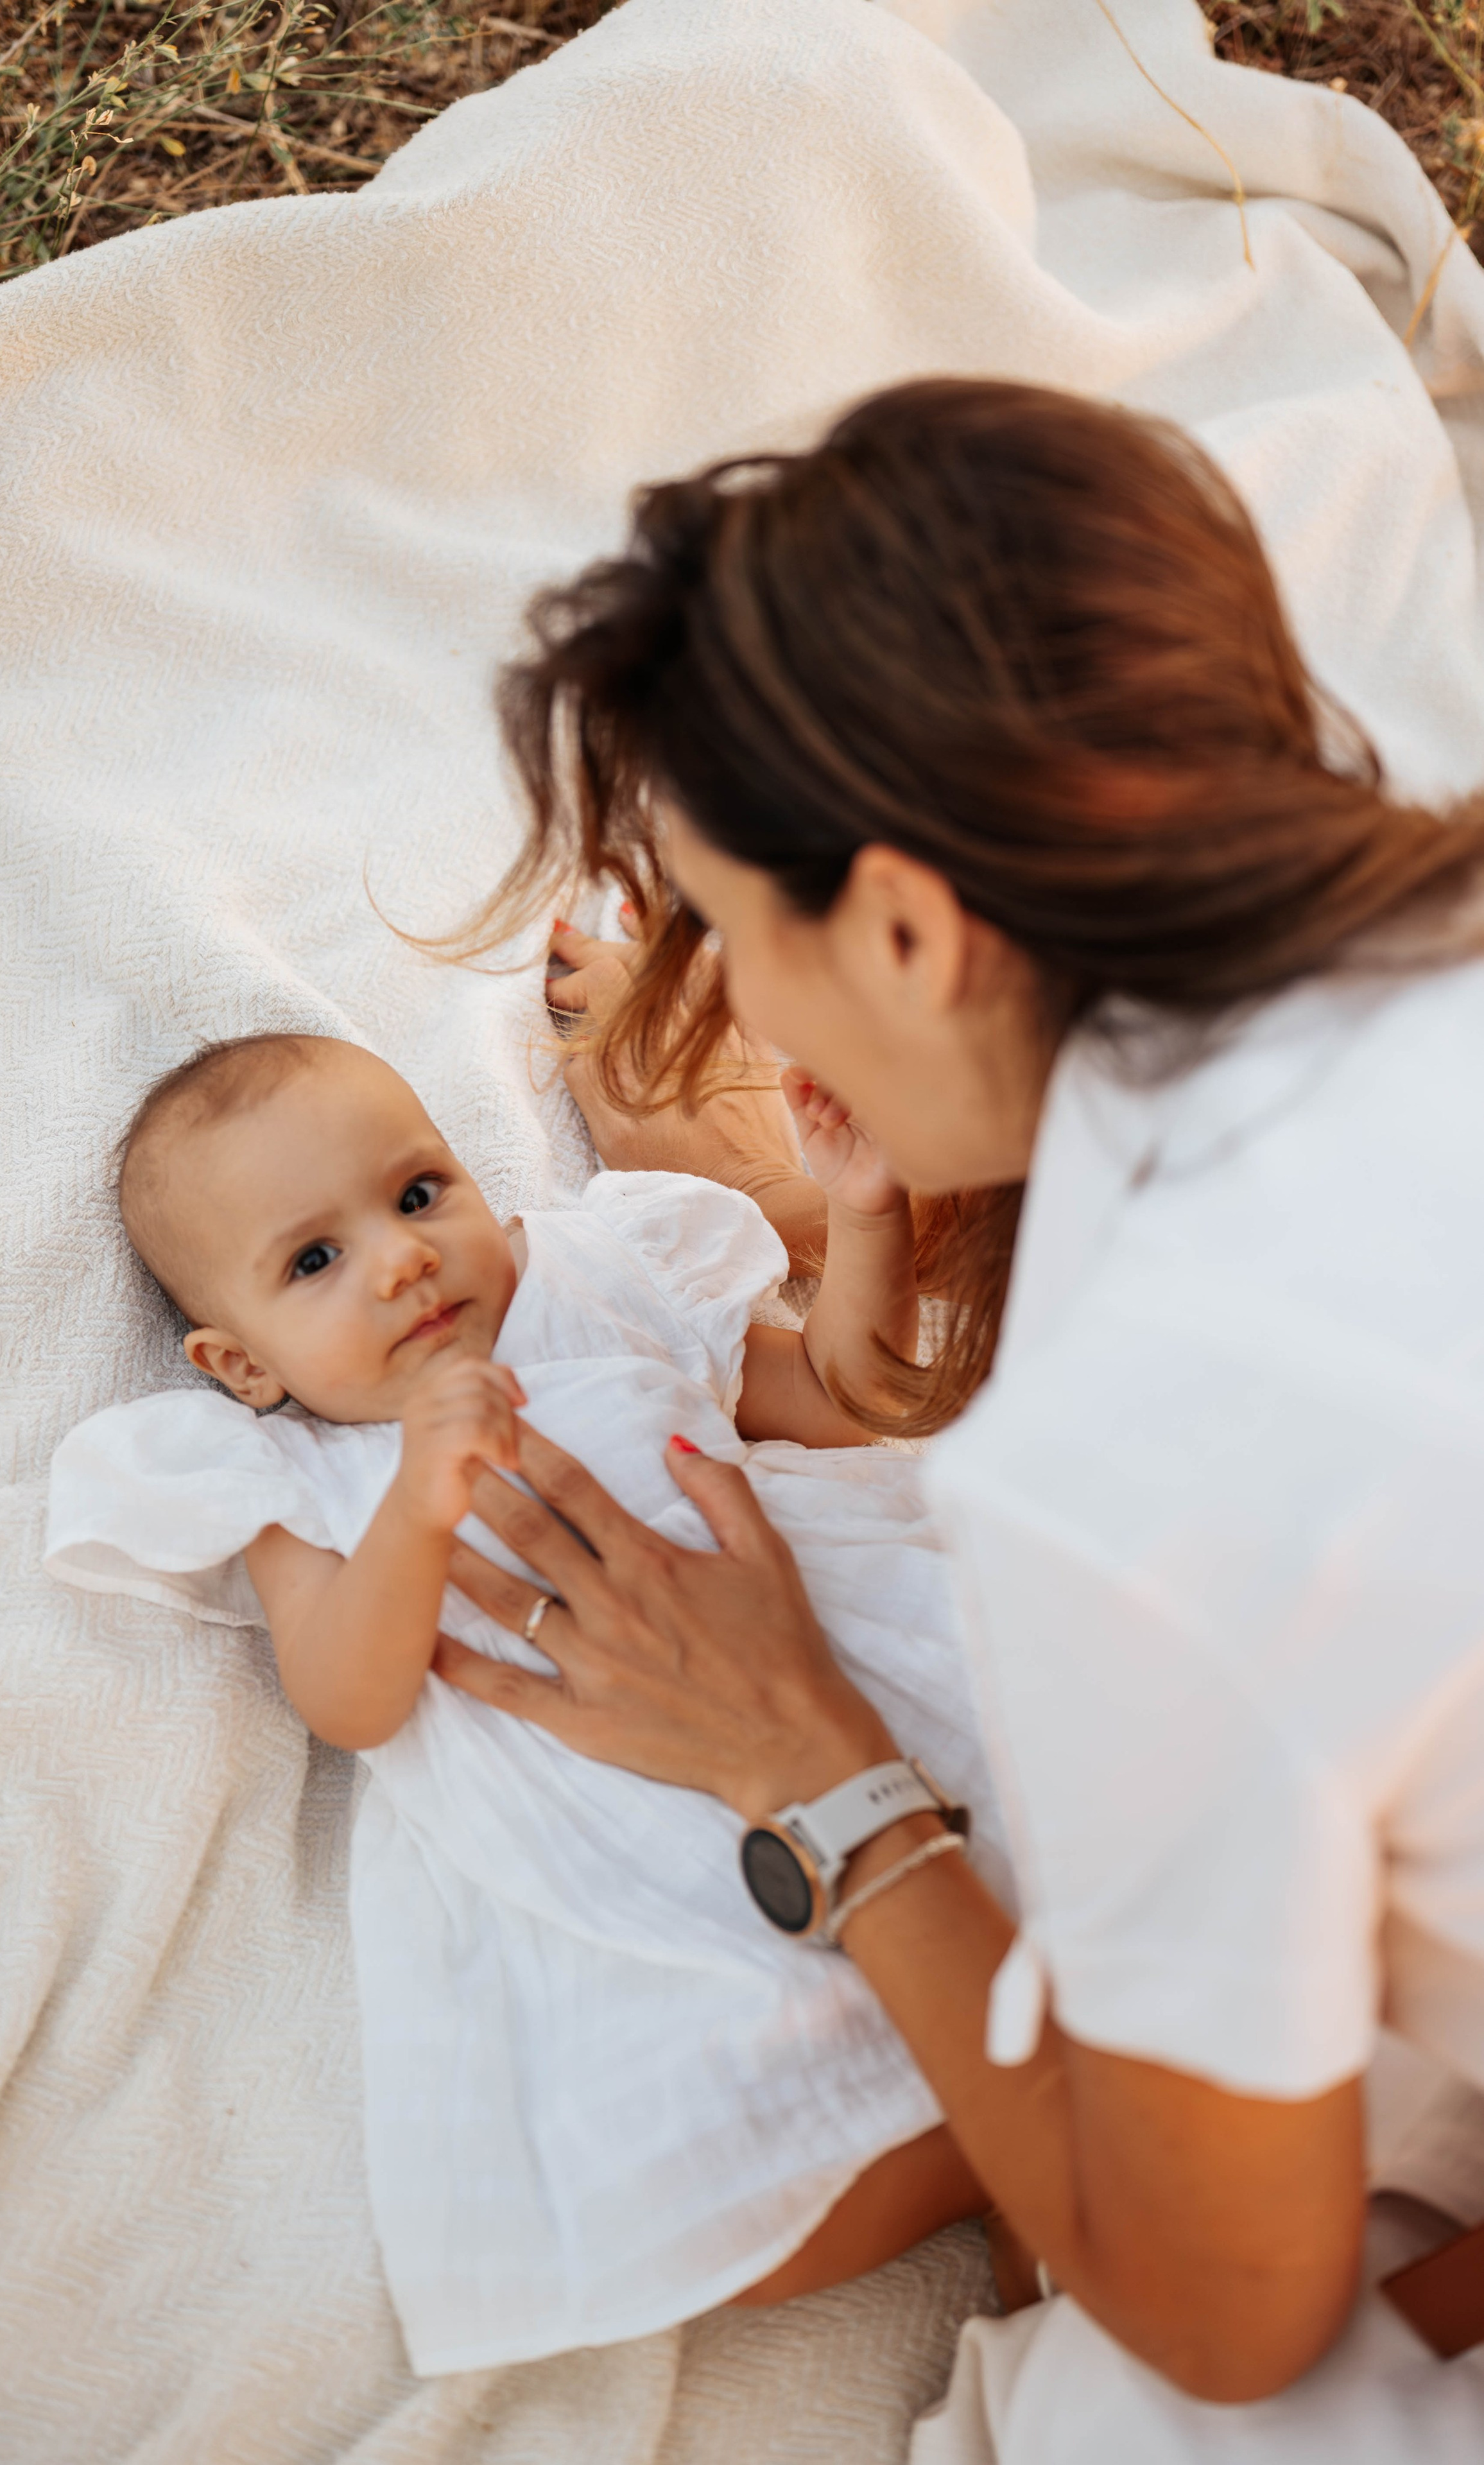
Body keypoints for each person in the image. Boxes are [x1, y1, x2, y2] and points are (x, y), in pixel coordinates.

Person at [427, 376, 1484, 2457]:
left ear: (911, 927)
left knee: (1090, 2377)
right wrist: (841, 1217)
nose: (726, 996)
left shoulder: (1133, 1472)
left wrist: (815, 1763)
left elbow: (1226, 2316)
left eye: (735, 932)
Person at [41, 1029, 1014, 2375]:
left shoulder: (606, 1281)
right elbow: (345, 1696)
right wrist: (418, 1516)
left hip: (838, 1659)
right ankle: (1022, 2151)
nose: (400, 1257)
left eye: (416, 1191)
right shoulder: (292, 1475)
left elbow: (851, 1401)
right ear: (242, 1361)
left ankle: (1071, 2112)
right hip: (600, 1828)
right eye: (314, 1262)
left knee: (1068, 1835)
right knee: (738, 2213)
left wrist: (862, 1211)